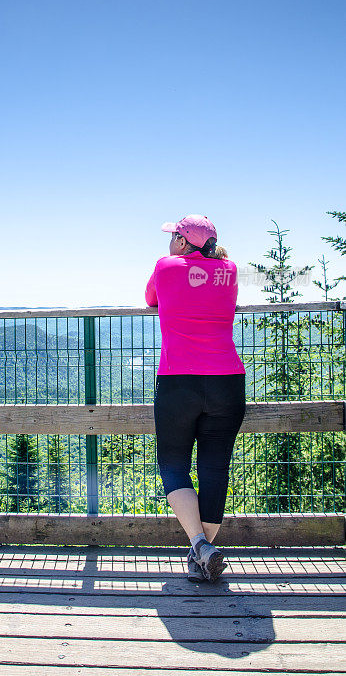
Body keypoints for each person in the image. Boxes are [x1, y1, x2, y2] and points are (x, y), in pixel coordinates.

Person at [144, 214, 246, 583]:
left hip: (179, 382)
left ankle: (200, 545)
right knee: (215, 467)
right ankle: (202, 557)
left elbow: (150, 298)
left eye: (174, 236)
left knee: (173, 464)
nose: (169, 242)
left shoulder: (166, 267)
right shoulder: (229, 270)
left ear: (184, 244)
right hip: (227, 381)